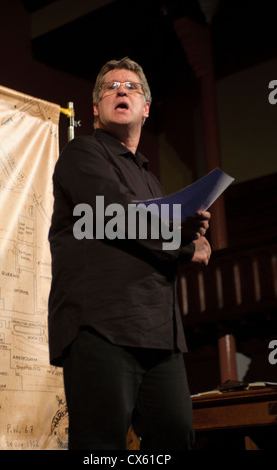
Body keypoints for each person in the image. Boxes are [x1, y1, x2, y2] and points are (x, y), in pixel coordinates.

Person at [48, 57, 211, 451]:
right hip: (101, 327)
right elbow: (116, 214)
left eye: (131, 87)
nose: (121, 90)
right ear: (95, 108)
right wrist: (188, 245)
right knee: (100, 449)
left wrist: (184, 230)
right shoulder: (82, 153)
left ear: (146, 108)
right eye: (110, 87)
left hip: (160, 335)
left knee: (175, 440)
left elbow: (152, 235)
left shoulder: (152, 180)